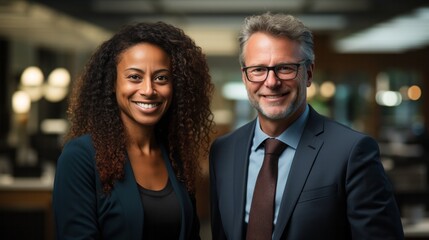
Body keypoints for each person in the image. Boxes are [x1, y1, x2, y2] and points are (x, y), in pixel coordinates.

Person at [209, 12, 404, 240]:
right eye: (258, 69)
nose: (271, 82)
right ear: (245, 77)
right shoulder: (223, 151)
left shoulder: (352, 152)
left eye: (285, 68)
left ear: (308, 73)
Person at [52, 21, 214, 240]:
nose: (148, 90)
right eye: (134, 77)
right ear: (112, 83)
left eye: (161, 78)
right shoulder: (80, 157)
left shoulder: (176, 156)